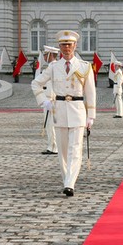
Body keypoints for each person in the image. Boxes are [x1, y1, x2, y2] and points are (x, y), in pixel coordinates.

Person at [32, 30, 96, 197]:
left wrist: (91, 116)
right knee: (62, 150)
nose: (67, 48)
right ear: (59, 48)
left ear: (75, 46)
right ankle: (66, 178)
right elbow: (36, 84)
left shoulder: (84, 66)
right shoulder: (53, 67)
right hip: (59, 111)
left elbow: (90, 93)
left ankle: (70, 183)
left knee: (76, 149)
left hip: (77, 110)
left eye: (69, 44)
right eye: (63, 45)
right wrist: (43, 102)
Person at [40, 45, 60, 155]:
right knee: (49, 124)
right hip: (48, 99)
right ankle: (52, 145)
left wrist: (51, 98)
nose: (43, 56)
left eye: (45, 54)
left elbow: (54, 85)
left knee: (50, 124)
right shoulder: (51, 66)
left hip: (50, 100)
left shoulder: (53, 67)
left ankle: (53, 147)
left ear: (50, 55)